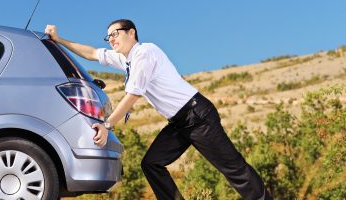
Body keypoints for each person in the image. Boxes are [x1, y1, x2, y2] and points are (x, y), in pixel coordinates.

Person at [45, 19, 272, 200]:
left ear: (131, 32)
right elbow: (92, 53)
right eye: (109, 36)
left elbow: (133, 94)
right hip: (179, 123)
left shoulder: (145, 53)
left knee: (233, 168)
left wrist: (106, 125)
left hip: (198, 116)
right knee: (151, 163)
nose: (111, 39)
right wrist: (59, 39)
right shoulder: (125, 59)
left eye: (116, 33)